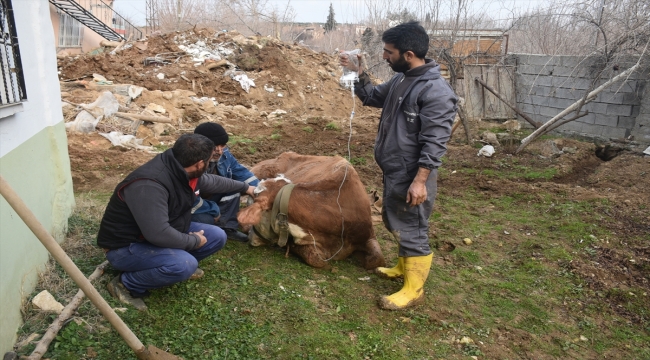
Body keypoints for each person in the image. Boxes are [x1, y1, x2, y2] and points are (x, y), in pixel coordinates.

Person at [341, 21, 458, 310]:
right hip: (395, 169)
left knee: (412, 226)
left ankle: (413, 290)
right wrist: (357, 74)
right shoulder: (402, 79)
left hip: (412, 174)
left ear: (408, 54)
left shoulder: (435, 92)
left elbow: (435, 143)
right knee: (396, 220)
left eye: (388, 52)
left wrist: (420, 181)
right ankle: (403, 268)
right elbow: (371, 97)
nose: (383, 56)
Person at [97, 134, 256, 310]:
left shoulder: (180, 167)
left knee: (217, 235)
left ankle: (169, 267)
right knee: (184, 264)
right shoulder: (150, 185)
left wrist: (246, 188)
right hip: (125, 246)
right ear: (200, 164)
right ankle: (126, 283)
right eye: (209, 160)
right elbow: (158, 233)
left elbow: (210, 181)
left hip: (155, 233)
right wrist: (193, 241)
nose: (211, 163)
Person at [192, 122, 259, 242]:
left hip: (210, 197)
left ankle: (227, 227)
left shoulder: (225, 155)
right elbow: (189, 198)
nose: (219, 151)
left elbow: (241, 173)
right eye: (214, 147)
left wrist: (261, 190)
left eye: (222, 145)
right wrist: (214, 210)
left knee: (233, 188)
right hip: (193, 204)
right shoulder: (190, 162)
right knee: (204, 220)